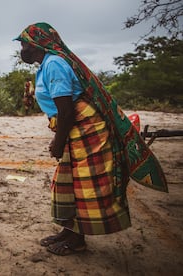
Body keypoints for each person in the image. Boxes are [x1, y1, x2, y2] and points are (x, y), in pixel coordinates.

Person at [14, 22, 168, 256]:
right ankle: (69, 232)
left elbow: (66, 112)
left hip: (86, 130)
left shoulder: (54, 64)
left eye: (24, 44)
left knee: (82, 184)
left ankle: (77, 240)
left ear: (38, 44)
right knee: (68, 181)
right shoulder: (47, 64)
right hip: (75, 127)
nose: (22, 49)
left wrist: (57, 145)